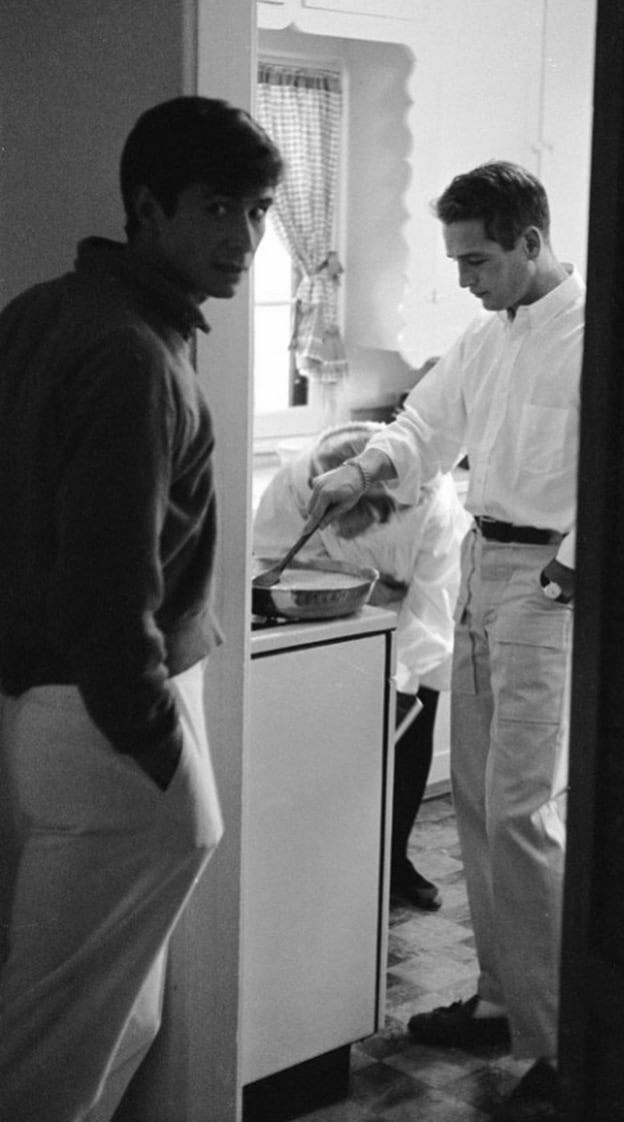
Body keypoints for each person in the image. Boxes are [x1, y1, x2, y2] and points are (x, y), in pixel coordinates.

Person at [0, 97, 282, 1122]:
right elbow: (106, 594)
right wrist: (161, 749)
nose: (242, 237)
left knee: (117, 1019)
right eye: (216, 208)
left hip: (56, 712)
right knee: (52, 1048)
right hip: (107, 723)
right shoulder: (132, 355)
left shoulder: (44, 310)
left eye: (257, 211)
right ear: (148, 207)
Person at [304, 161, 582, 1122]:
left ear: (530, 242)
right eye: (457, 260)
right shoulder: (486, 334)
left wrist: (571, 571)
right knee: (473, 800)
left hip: (549, 583)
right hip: (480, 567)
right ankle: (501, 1004)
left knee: (524, 814)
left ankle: (559, 1045)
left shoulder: (596, 336)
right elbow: (427, 422)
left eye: (477, 261)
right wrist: (363, 468)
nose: (464, 279)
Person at [253, 421, 471, 910]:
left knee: (411, 733)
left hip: (417, 617)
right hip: (338, 618)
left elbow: (431, 606)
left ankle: (395, 862)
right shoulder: (297, 486)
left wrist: (398, 687)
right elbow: (276, 562)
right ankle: (329, 868)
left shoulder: (433, 503)